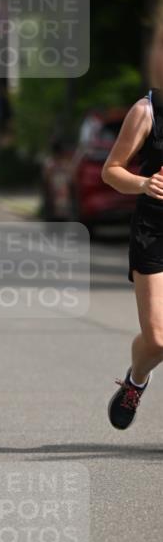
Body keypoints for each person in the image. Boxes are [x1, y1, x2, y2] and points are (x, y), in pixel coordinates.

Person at [102, 86, 163, 428]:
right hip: (154, 229)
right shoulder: (146, 110)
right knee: (157, 338)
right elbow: (112, 170)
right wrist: (143, 184)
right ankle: (136, 380)